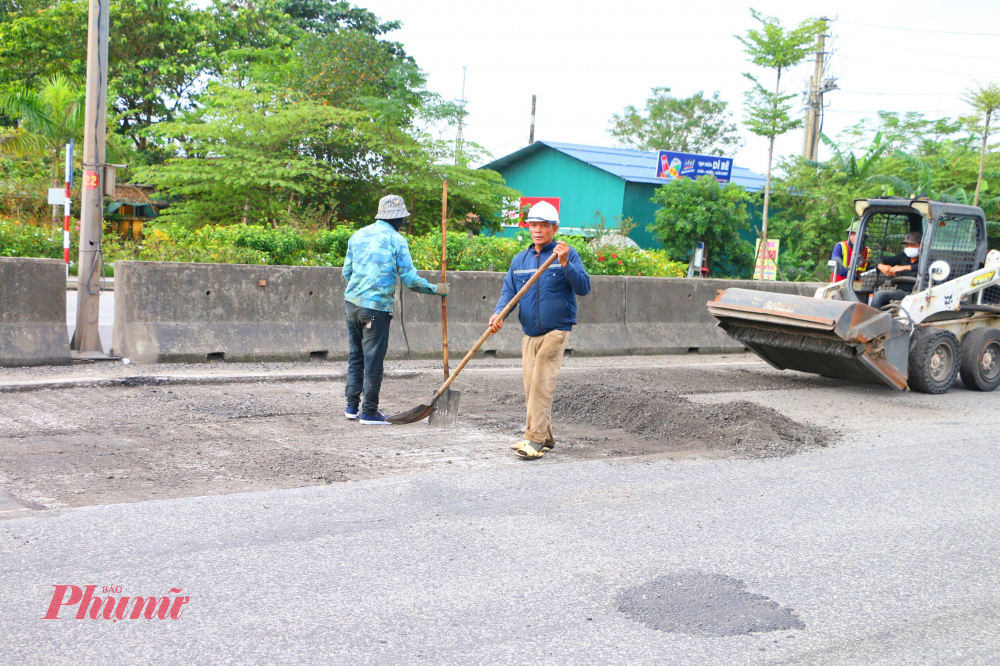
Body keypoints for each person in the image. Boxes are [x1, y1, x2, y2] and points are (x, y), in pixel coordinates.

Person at [487, 201, 591, 459]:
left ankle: (533, 440)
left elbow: (583, 287)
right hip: (530, 332)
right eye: (533, 225)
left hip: (556, 331)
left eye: (543, 226)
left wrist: (566, 262)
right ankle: (546, 437)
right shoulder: (520, 260)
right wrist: (498, 314)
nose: (537, 230)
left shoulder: (566, 253)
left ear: (554, 228)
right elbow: (509, 292)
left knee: (542, 382)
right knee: (531, 386)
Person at [342, 194, 448, 424]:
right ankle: (369, 412)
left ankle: (351, 407)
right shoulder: (396, 240)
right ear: (398, 219)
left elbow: (346, 273)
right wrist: (436, 289)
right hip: (376, 309)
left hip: (351, 305)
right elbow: (410, 280)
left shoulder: (357, 235)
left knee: (356, 354)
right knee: (373, 359)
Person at [870, 231, 922, 310]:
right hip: (902, 292)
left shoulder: (927, 259)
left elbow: (928, 268)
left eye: (913, 245)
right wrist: (881, 266)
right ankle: (876, 318)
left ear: (921, 246)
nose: (909, 248)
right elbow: (883, 260)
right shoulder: (903, 256)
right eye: (907, 245)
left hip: (920, 293)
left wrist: (904, 267)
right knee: (878, 295)